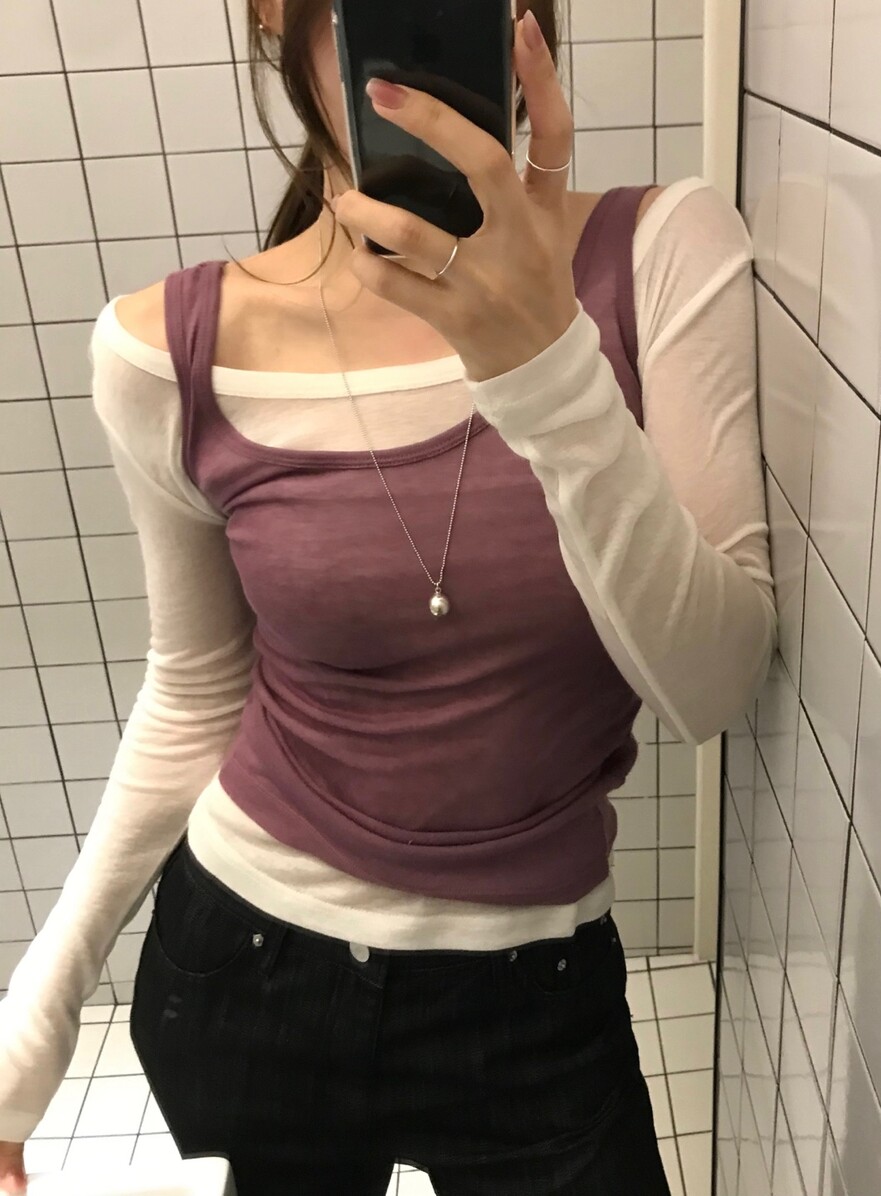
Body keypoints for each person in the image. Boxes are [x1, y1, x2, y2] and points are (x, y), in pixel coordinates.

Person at [0, 1, 777, 1193]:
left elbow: (711, 689)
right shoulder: (166, 348)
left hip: (538, 991)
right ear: (278, 14)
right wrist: (29, 1035)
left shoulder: (660, 252)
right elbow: (194, 695)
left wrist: (546, 364)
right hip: (253, 959)